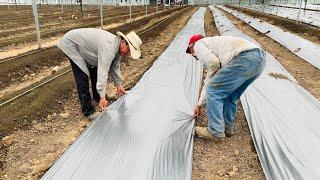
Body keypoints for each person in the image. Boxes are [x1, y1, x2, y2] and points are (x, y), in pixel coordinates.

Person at [186, 34, 266, 141]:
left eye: (191, 52)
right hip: (259, 59)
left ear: (192, 45)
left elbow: (213, 65)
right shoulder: (216, 45)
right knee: (231, 95)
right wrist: (200, 104)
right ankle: (227, 128)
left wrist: (201, 102)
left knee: (213, 91)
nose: (193, 55)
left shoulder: (198, 45)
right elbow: (214, 71)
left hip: (244, 58)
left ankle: (215, 131)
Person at [58, 28, 143, 120]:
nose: (128, 54)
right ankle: (88, 111)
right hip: (71, 44)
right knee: (83, 75)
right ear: (124, 42)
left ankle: (97, 96)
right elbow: (103, 73)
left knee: (94, 68)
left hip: (84, 46)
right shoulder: (109, 48)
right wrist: (103, 96)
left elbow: (115, 67)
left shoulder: (118, 48)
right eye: (129, 50)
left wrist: (119, 86)